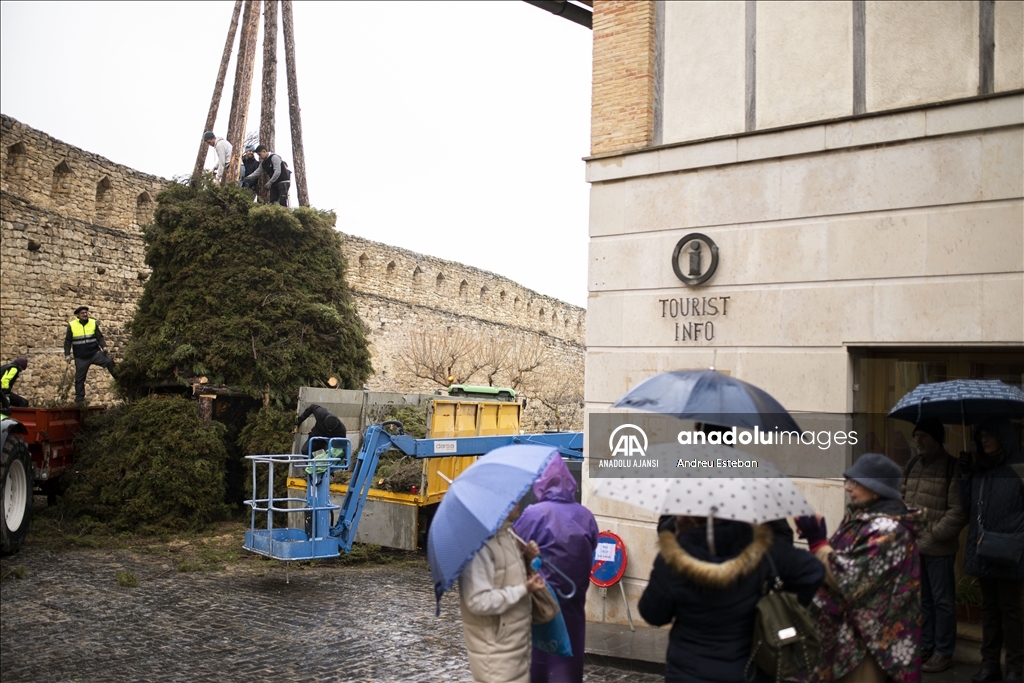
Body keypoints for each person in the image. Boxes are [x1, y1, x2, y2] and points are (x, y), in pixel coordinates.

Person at [638, 514, 824, 682]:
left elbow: (653, 614)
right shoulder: (763, 551)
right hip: (749, 671)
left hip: (688, 672)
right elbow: (813, 572)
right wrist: (779, 605)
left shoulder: (672, 559)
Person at [796, 453, 923, 682]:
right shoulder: (862, 518)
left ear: (876, 489)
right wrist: (820, 540)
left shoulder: (888, 530)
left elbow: (850, 578)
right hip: (847, 636)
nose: (847, 488)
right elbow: (840, 558)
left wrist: (818, 543)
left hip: (869, 645)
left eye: (855, 482)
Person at [512, 457, 598, 683]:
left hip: (540, 599)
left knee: (538, 658)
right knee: (569, 657)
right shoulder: (586, 516)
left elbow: (514, 550)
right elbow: (593, 551)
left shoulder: (534, 513)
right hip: (574, 601)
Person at [958, 420, 1024, 683]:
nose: (984, 440)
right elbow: (967, 506)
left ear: (1003, 437)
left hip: (1010, 551)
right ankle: (989, 665)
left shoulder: (1019, 467)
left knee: (1011, 612)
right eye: (981, 436)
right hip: (984, 548)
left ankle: (1016, 668)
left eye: (989, 435)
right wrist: (965, 476)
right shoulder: (980, 470)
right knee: (989, 610)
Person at [900, 418, 965, 673]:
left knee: (943, 601)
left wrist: (929, 536)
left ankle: (943, 652)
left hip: (938, 548)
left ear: (937, 439)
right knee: (924, 599)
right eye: (916, 436)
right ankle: (926, 645)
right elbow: (903, 496)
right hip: (915, 545)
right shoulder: (913, 464)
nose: (918, 441)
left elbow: (957, 513)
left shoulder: (952, 467)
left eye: (924, 436)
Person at [460, 505, 547, 683]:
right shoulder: (479, 546)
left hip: (514, 644)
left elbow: (505, 575)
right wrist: (524, 589)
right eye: (513, 499)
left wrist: (526, 558)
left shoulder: (507, 534)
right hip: (495, 651)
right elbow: (478, 600)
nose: (519, 502)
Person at [63, 306, 115, 405]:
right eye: (82, 313)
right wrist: (67, 354)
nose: (85, 314)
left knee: (109, 361)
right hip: (81, 356)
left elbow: (99, 337)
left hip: (94, 353)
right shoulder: (72, 325)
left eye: (86, 312)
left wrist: (104, 347)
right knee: (79, 378)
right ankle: (79, 399)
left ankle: (120, 380)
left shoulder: (93, 323)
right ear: (78, 315)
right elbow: (68, 341)